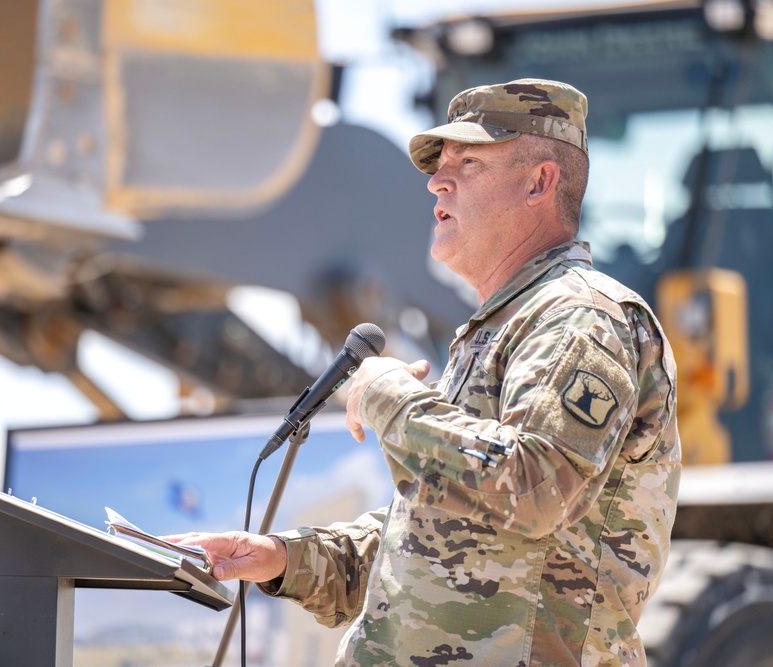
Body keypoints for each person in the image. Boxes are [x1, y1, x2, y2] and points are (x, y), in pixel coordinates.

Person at [170, 79, 681, 666]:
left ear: (540, 182)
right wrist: (282, 558)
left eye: (469, 161)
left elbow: (535, 490)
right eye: (440, 165)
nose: (438, 180)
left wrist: (391, 398)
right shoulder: (499, 328)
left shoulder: (581, 318)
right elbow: (437, 540)